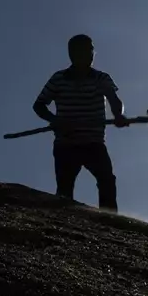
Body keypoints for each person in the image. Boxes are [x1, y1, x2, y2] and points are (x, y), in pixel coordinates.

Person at [32, 34, 129, 211]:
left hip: (94, 143)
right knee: (64, 189)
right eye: (84, 50)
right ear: (73, 53)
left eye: (91, 49)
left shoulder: (101, 78)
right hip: (66, 143)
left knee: (107, 180)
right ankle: (63, 222)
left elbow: (114, 99)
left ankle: (108, 220)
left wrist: (118, 115)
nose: (90, 54)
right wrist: (55, 120)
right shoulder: (59, 79)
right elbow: (39, 105)